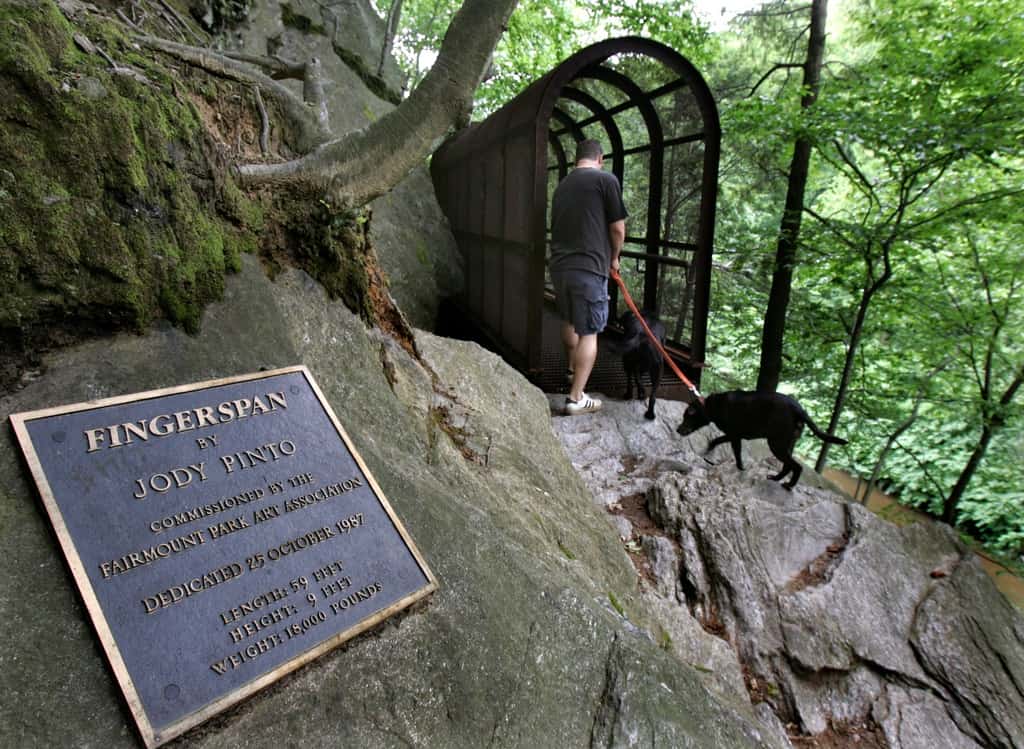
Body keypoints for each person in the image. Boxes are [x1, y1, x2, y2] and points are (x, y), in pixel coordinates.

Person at [549, 139, 627, 415]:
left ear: (575, 160)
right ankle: (576, 398)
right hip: (590, 266)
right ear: (600, 159)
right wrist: (614, 257)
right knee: (590, 331)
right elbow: (617, 228)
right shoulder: (605, 180)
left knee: (570, 319)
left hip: (560, 266)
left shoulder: (563, 186)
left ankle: (572, 371)